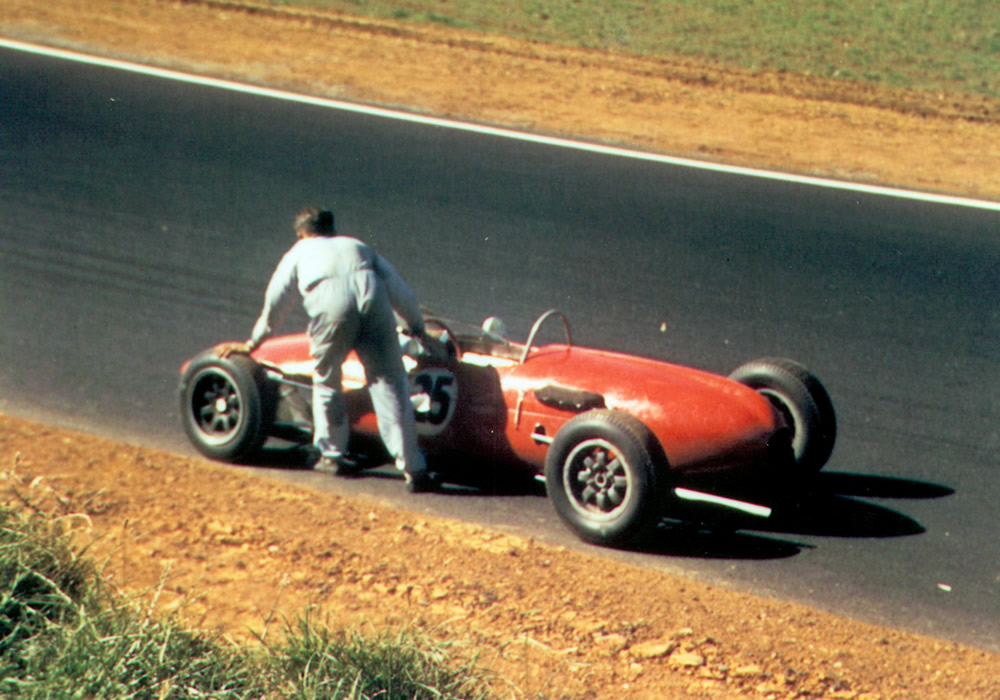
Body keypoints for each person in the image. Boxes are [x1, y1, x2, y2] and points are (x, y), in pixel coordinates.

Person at [218, 207, 439, 492]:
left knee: (326, 381)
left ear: (301, 233)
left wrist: (254, 342)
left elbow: (275, 302)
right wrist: (417, 327)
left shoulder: (298, 253)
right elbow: (399, 289)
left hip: (332, 311)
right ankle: (414, 469)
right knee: (390, 386)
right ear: (332, 229)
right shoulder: (358, 245)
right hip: (374, 305)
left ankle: (331, 454)